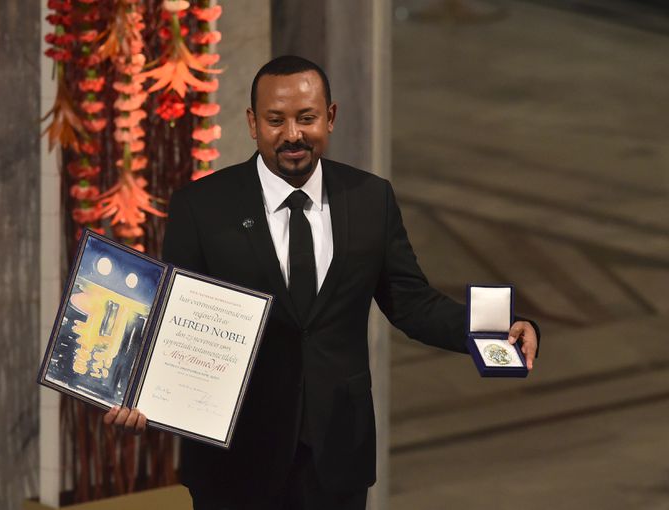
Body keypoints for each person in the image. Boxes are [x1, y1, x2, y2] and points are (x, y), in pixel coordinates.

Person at [104, 55, 539, 510]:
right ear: (252, 123)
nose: (293, 134)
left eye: (306, 118)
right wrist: (133, 391)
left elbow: (413, 303)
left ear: (330, 117)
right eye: (276, 120)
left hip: (336, 458)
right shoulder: (201, 207)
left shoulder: (370, 199)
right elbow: (173, 318)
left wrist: (498, 331)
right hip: (234, 461)